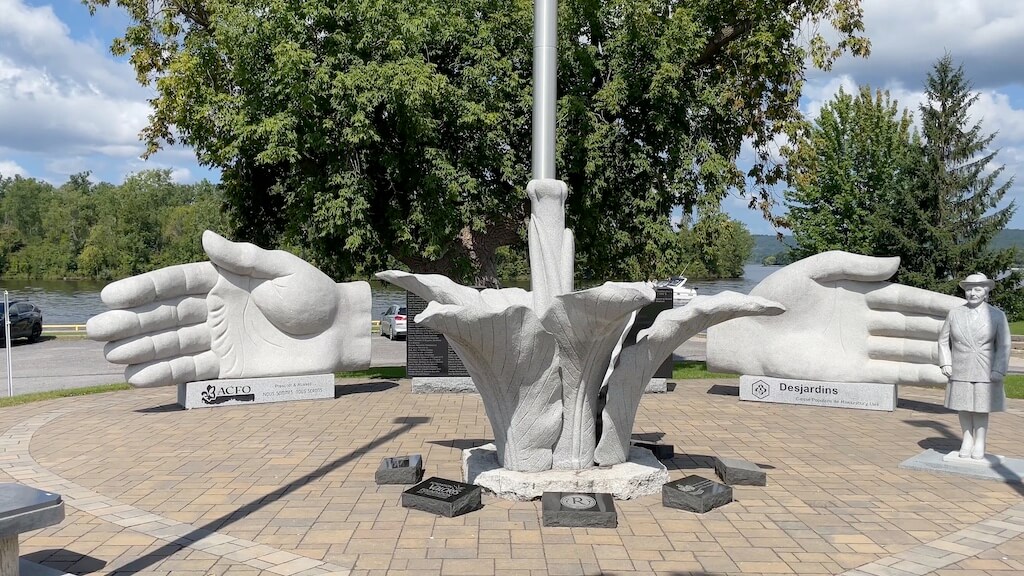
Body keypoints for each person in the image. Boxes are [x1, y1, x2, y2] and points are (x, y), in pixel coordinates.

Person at [938, 273, 1011, 460]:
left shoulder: (997, 315)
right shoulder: (954, 313)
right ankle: (967, 439)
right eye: (969, 289)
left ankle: (980, 442)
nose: (972, 293)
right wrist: (945, 362)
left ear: (986, 292)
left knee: (980, 407)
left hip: (984, 368)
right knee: (963, 405)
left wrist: (998, 369)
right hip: (960, 367)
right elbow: (943, 340)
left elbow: (1004, 345)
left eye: (977, 289)